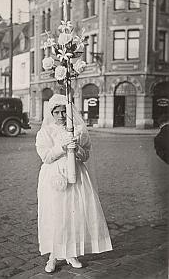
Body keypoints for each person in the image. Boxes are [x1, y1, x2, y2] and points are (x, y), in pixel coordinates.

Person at [36, 94, 112, 273]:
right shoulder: (45, 132)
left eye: (64, 111)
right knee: (55, 213)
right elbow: (45, 157)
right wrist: (62, 148)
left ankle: (71, 253)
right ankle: (53, 255)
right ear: (51, 113)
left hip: (76, 174)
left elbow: (86, 155)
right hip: (53, 176)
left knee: (73, 212)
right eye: (57, 112)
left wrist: (76, 148)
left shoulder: (77, 129)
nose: (61, 115)